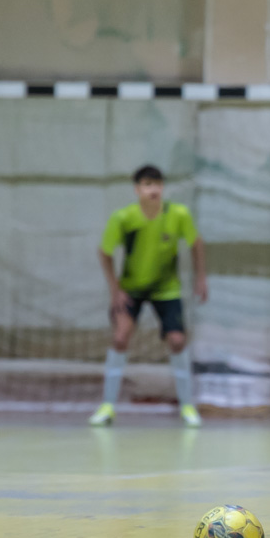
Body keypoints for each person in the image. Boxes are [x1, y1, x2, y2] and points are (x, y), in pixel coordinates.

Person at [89, 165, 208, 427]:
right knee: (120, 337)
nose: (153, 190)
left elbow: (196, 243)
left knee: (177, 340)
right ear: (137, 190)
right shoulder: (124, 218)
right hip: (131, 287)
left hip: (166, 288)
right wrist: (115, 289)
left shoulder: (178, 214)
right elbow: (105, 252)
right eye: (147, 185)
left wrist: (201, 278)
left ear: (163, 188)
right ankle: (107, 406)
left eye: (157, 184)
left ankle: (187, 406)